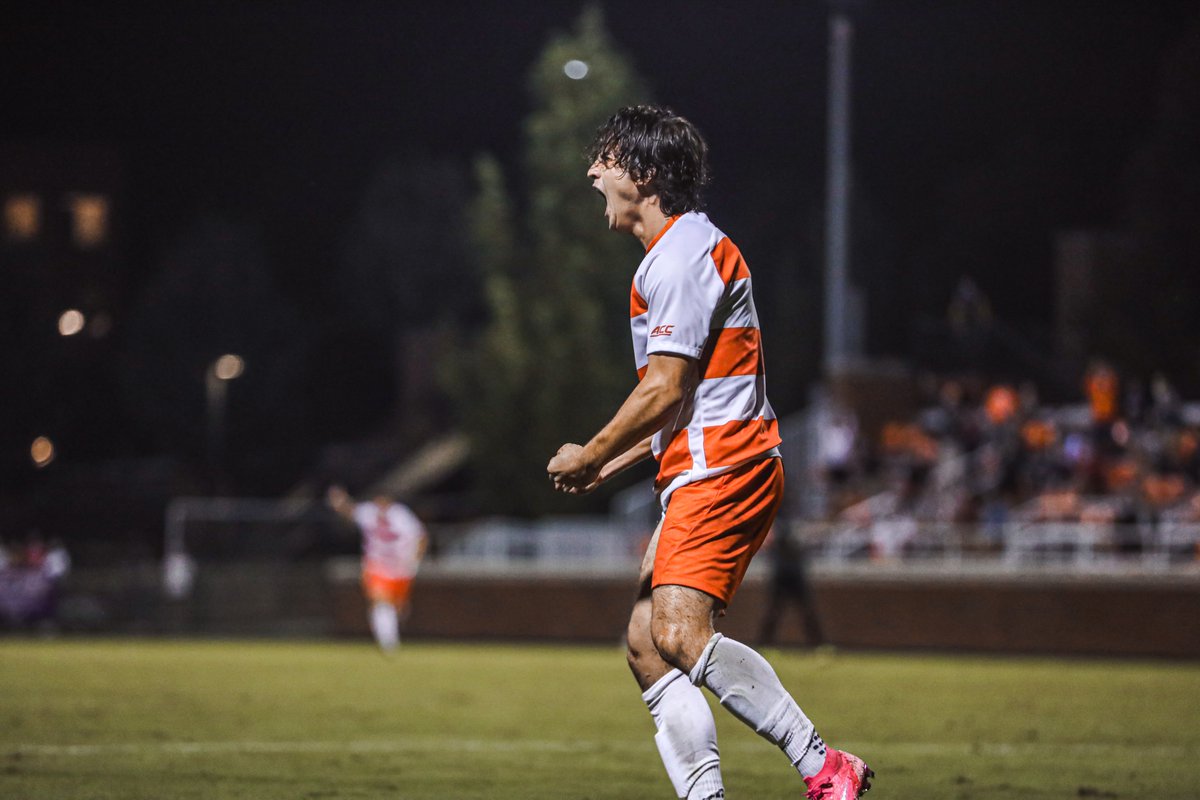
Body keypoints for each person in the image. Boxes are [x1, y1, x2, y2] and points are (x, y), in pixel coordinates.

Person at [547, 106, 872, 800]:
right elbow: (682, 400)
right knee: (645, 642)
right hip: (709, 463)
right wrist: (609, 464)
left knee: (677, 629)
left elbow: (664, 390)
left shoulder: (683, 255)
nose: (592, 172)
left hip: (724, 469)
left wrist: (589, 451)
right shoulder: (675, 255)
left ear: (645, 173)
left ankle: (823, 766)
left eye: (605, 158)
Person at [327, 485, 427, 652]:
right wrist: (340, 501)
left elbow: (421, 537)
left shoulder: (402, 516)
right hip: (377, 567)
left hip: (401, 568)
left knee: (398, 607)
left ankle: (389, 631)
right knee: (380, 601)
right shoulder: (368, 512)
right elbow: (350, 512)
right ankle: (388, 642)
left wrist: (414, 561)